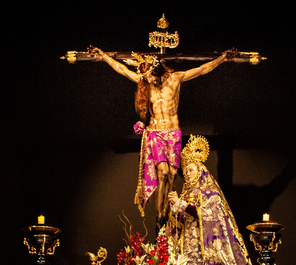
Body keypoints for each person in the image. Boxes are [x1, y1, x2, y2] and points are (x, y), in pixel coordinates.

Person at [89, 46, 233, 225]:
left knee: (173, 174)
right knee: (162, 172)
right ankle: (159, 216)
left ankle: (167, 212)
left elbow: (202, 69)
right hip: (156, 133)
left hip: (173, 133)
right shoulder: (146, 81)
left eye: (151, 75)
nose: (149, 79)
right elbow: (123, 70)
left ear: (157, 70)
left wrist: (222, 58)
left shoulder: (175, 78)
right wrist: (104, 56)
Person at [165, 135, 258, 265]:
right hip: (188, 243)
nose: (187, 174)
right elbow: (180, 222)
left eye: (191, 170)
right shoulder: (185, 194)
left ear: (200, 171)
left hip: (206, 243)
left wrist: (182, 204)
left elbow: (211, 216)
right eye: (185, 171)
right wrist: (175, 209)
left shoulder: (211, 193)